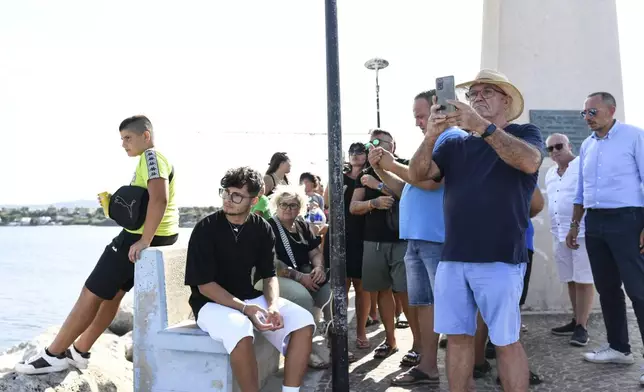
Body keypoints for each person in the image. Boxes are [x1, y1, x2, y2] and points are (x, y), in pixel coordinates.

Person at [409, 69, 543, 392]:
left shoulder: (526, 132)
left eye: (486, 92)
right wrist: (430, 135)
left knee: (505, 340)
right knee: (457, 339)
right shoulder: (454, 144)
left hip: (500, 258)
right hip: (453, 259)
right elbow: (417, 175)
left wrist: (481, 127)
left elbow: (529, 161)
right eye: (473, 94)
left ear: (506, 100)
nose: (477, 98)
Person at [16, 115, 179, 374]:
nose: (124, 144)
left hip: (138, 238)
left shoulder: (151, 158)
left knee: (90, 292)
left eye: (128, 138)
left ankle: (54, 354)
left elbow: (160, 199)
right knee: (113, 296)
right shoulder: (151, 160)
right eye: (122, 139)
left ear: (145, 136)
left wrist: (144, 240)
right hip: (156, 236)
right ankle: (80, 350)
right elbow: (147, 201)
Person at [368, 89, 468, 386]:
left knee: (443, 305)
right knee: (423, 303)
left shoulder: (450, 141)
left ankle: (458, 369)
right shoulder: (429, 145)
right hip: (416, 239)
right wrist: (381, 170)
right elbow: (407, 189)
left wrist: (391, 165)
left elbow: (429, 184)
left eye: (421, 115)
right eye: (416, 117)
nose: (417, 122)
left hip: (436, 238)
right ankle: (428, 366)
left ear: (440, 111)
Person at [185, 167, 314, 392]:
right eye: (226, 193)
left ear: (254, 200)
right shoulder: (205, 228)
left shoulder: (262, 228)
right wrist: (246, 309)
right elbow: (204, 286)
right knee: (240, 328)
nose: (228, 199)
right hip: (210, 304)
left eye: (237, 195)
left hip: (249, 298)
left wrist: (272, 305)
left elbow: (269, 275)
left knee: (303, 321)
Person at [566, 92, 644, 385]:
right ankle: (619, 348)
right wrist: (575, 224)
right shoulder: (586, 146)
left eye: (592, 111)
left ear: (611, 110)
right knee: (607, 288)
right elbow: (581, 191)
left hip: (628, 220)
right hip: (595, 222)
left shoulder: (635, 137)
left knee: (639, 290)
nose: (587, 117)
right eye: (584, 112)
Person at [350, 129, 414, 361]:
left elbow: (407, 194)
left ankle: (417, 346)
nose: (374, 147)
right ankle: (390, 340)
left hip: (402, 241)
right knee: (382, 291)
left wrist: (378, 186)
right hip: (373, 241)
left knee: (406, 293)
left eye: (380, 143)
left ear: (393, 146)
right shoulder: (364, 174)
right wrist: (373, 203)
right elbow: (353, 207)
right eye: (371, 144)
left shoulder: (406, 166)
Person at [257, 185, 332, 369]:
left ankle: (335, 342)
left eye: (293, 205)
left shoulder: (303, 226)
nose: (288, 208)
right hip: (271, 279)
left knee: (330, 293)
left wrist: (319, 268)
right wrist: (300, 277)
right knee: (302, 298)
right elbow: (273, 263)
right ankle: (305, 350)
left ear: (300, 207)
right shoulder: (268, 227)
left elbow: (315, 251)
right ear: (277, 205)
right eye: (284, 204)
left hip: (304, 272)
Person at [545, 133, 594, 345]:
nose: (555, 151)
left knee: (584, 279)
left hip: (581, 232)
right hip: (558, 232)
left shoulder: (582, 165)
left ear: (569, 145)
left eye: (559, 146)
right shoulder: (550, 173)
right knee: (571, 279)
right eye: (550, 149)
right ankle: (575, 320)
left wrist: (575, 225)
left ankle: (583, 327)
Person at [323, 142, 371, 349]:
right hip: (338, 237)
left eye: (360, 152)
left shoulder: (370, 176)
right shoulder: (339, 176)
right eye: (352, 152)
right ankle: (338, 333)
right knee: (339, 288)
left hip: (362, 236)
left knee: (362, 288)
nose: (356, 155)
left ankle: (361, 333)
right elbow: (327, 202)